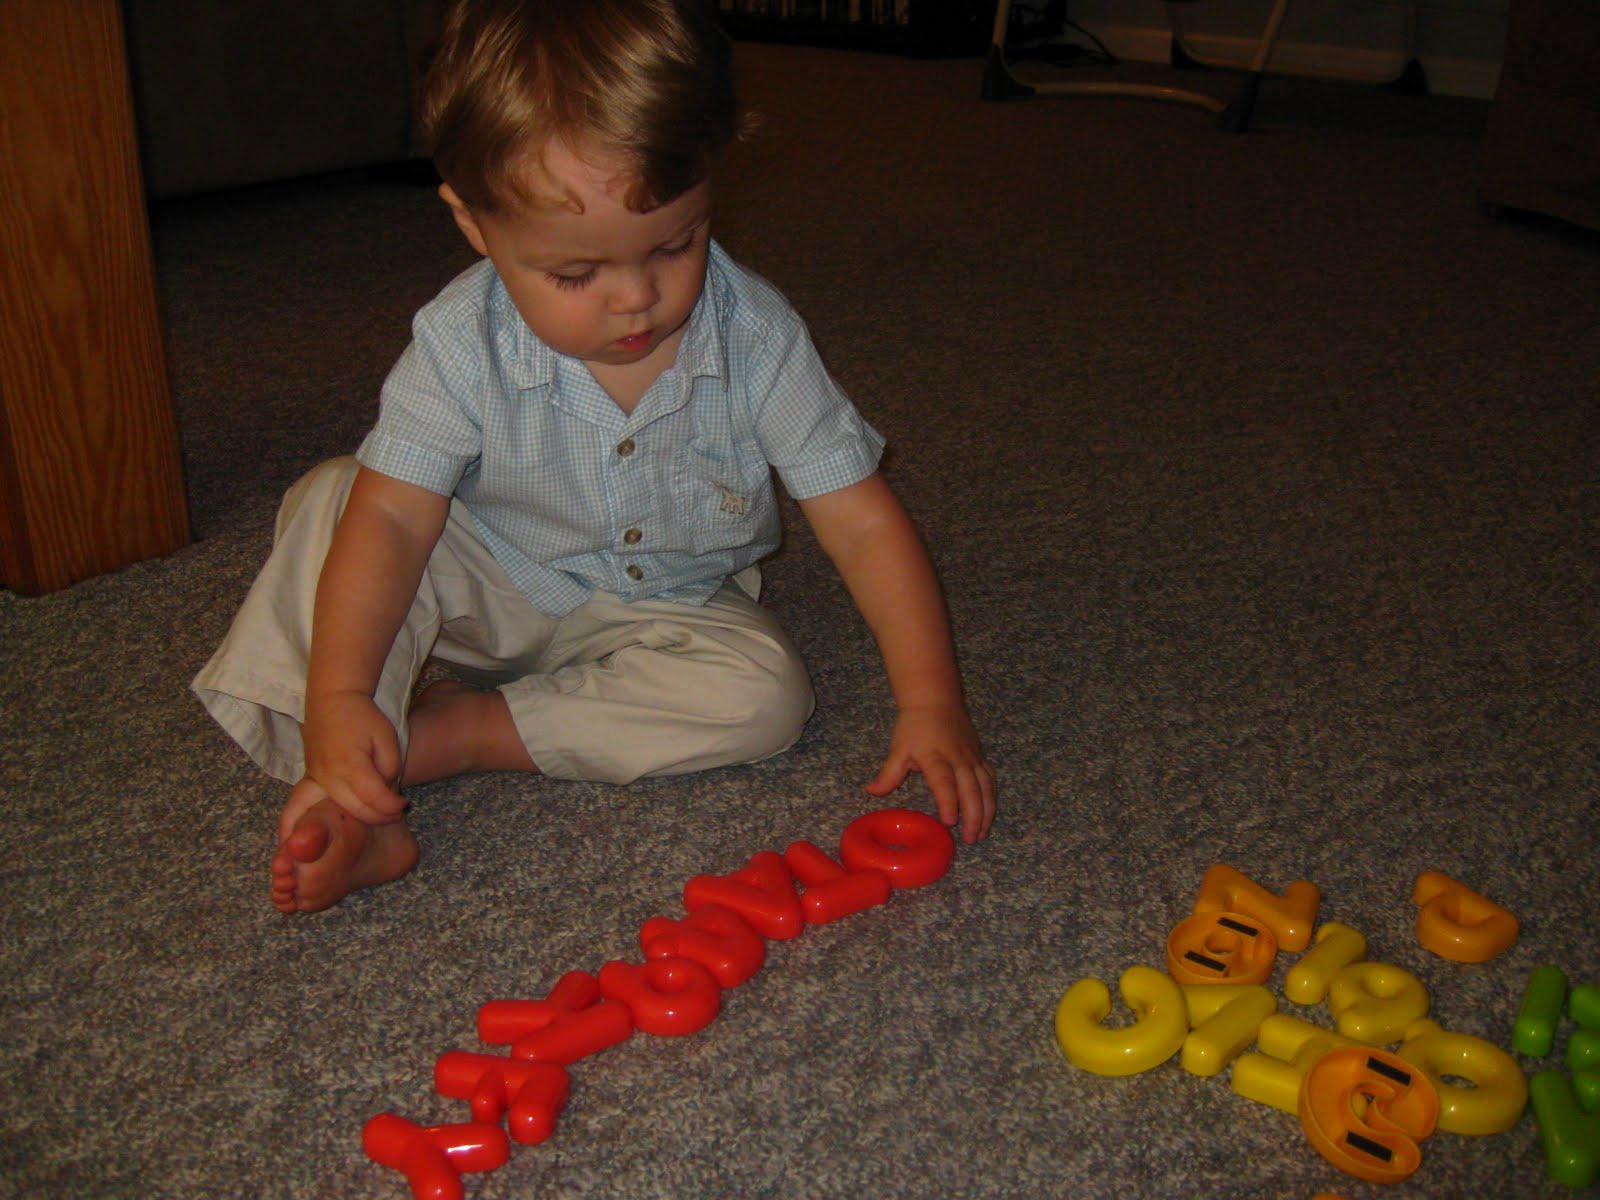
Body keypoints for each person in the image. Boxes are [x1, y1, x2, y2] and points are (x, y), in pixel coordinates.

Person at [192, 0, 996, 914]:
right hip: (489, 584)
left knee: (767, 698)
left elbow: (860, 523)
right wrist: (340, 691)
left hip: (662, 608)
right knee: (339, 502)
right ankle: (350, 760)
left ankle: (447, 738)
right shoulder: (460, 342)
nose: (635, 299)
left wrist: (931, 704)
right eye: (574, 274)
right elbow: (394, 520)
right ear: (472, 224)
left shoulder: (758, 337)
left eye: (676, 244)